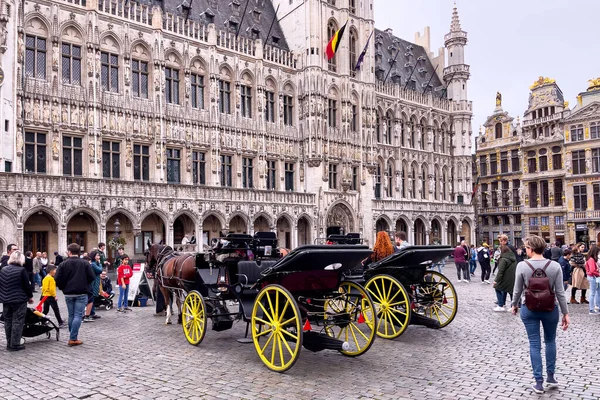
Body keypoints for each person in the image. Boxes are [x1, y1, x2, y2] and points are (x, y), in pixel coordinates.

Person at [511, 235, 569, 394]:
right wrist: (565, 313)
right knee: (550, 341)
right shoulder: (555, 266)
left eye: (526, 247)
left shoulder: (522, 266)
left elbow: (517, 290)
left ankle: (538, 382)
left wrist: (514, 305)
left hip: (529, 309)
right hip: (550, 308)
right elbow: (560, 293)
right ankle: (551, 376)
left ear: (530, 248)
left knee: (534, 344)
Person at [54, 243, 95, 347]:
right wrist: (85, 284)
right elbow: (91, 277)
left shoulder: (63, 264)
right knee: (77, 315)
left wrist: (63, 287)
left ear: (69, 252)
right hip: (81, 292)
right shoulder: (85, 263)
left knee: (71, 315)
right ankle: (73, 338)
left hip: (68, 293)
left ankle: (72, 336)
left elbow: (57, 278)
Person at [0, 251, 34, 351]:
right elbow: (27, 286)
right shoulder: (22, 270)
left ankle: (9, 343)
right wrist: (30, 297)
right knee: (18, 321)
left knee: (8, 321)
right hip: (19, 299)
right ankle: (15, 344)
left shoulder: (3, 269)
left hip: (6, 300)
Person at [493, 245, 517, 312]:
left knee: (497, 288)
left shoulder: (503, 259)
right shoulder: (513, 258)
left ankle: (501, 305)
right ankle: (513, 306)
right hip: (512, 277)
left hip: (505, 278)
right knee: (511, 291)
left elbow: (501, 271)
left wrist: (496, 280)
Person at [84, 252, 103, 322]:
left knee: (93, 298)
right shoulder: (94, 264)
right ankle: (90, 313)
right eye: (97, 255)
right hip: (93, 282)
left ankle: (92, 312)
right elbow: (100, 270)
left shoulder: (96, 264)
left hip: (96, 282)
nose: (99, 257)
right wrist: (100, 264)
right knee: (92, 297)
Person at [585, 246, 600, 315]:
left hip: (593, 276)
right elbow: (592, 270)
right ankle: (591, 309)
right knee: (592, 293)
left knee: (596, 292)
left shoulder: (591, 259)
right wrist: (598, 274)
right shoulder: (591, 259)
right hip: (593, 277)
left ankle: (597, 306)